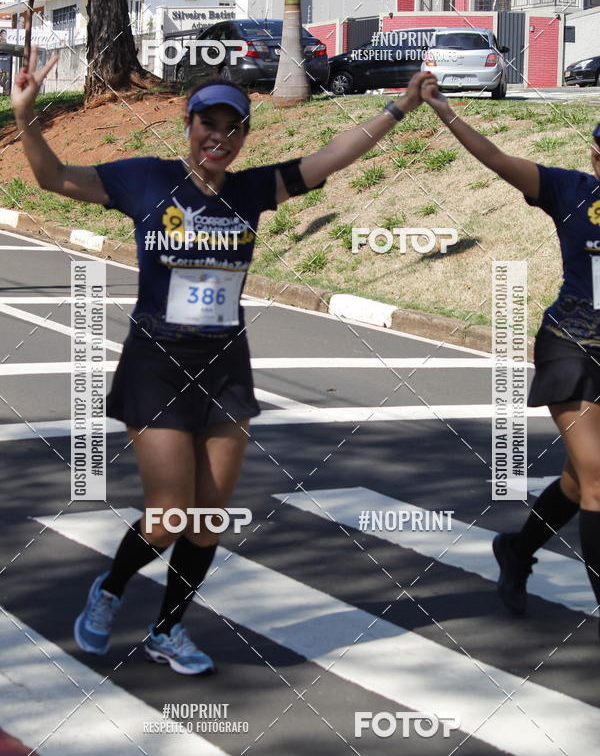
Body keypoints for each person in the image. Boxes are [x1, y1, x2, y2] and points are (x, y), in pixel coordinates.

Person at [12, 47, 430, 673]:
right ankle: (110, 589)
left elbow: (334, 155)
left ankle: (167, 629)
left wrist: (400, 105)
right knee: (169, 514)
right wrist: (26, 118)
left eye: (233, 128)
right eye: (209, 123)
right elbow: (53, 178)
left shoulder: (254, 189)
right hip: (156, 362)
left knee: (206, 520)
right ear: (189, 125)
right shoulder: (146, 180)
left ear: (244, 137)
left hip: (224, 367)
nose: (220, 137)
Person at [420, 75, 599, 624]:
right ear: (596, 154)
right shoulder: (571, 191)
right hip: (571, 349)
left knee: (577, 479)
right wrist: (445, 110)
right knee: (597, 479)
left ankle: (517, 550)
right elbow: (496, 158)